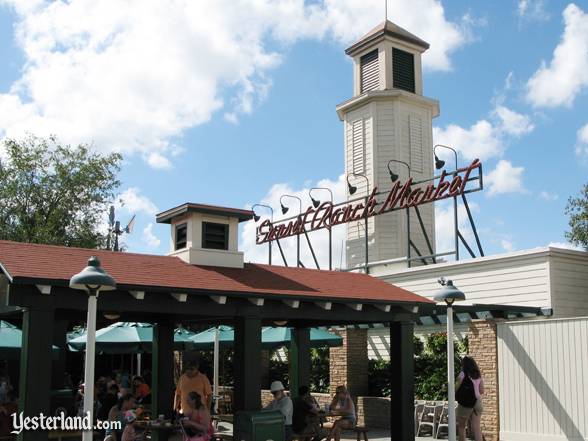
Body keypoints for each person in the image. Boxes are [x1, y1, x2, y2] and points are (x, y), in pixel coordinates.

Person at [456, 356, 484, 441]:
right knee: (477, 427)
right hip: (478, 402)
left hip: (466, 403)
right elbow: (482, 390)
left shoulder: (462, 374)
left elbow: (456, 387)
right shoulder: (478, 375)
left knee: (462, 426)